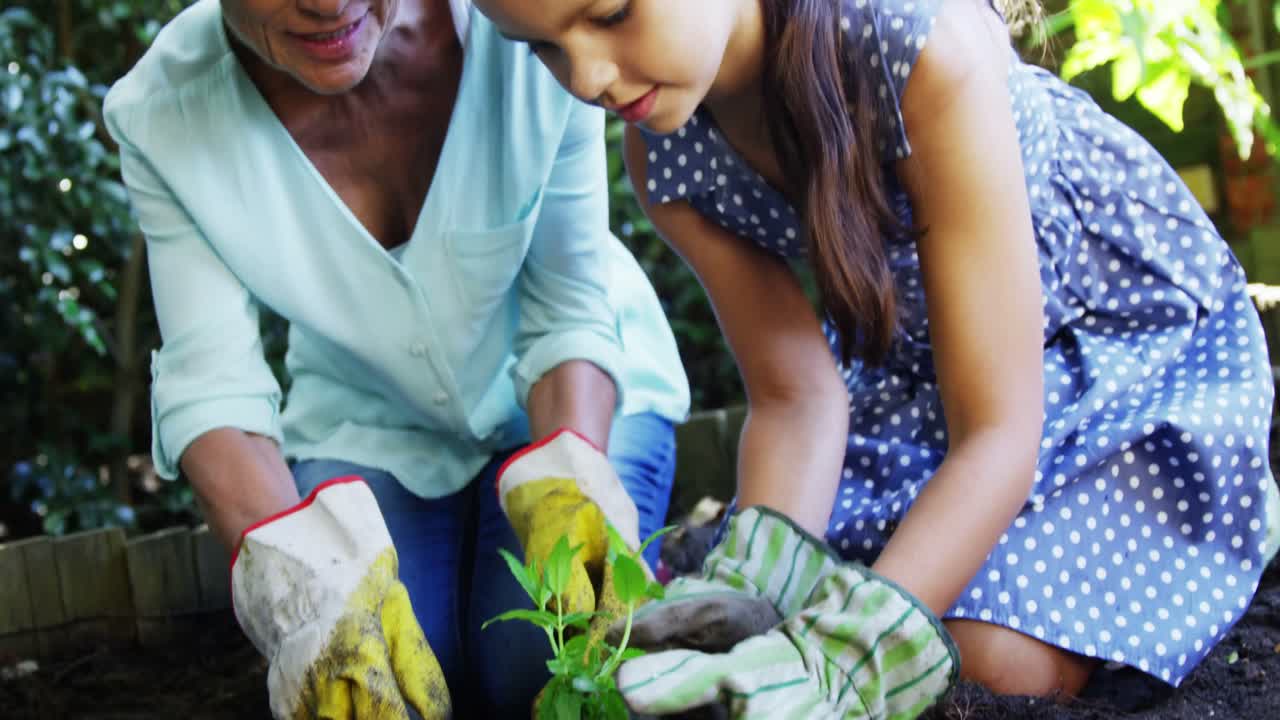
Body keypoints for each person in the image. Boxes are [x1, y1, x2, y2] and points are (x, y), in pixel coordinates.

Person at [471, 0, 1280, 716]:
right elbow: (797, 400)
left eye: (611, 14)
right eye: (542, 47)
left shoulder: (919, 49)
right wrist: (753, 588)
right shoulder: (668, 155)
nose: (585, 77)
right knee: (783, 616)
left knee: (980, 659)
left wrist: (849, 658)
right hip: (918, 383)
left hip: (1114, 349)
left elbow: (999, 430)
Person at [103, 0, 690, 717]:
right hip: (368, 422)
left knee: (538, 673)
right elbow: (212, 390)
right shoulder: (163, 114)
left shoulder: (529, 18)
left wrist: (573, 480)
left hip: (574, 393)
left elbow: (566, 308)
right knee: (385, 685)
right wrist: (307, 601)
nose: (327, 3)